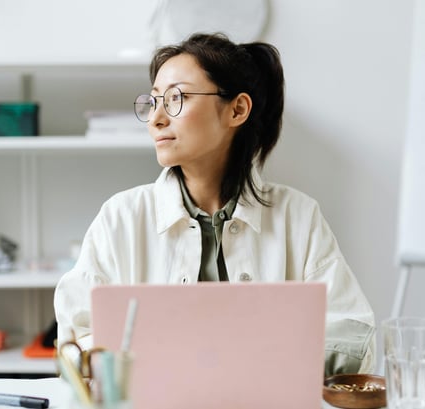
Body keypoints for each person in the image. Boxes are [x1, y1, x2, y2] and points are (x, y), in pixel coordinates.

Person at [54, 32, 375, 375]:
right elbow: (76, 340)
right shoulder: (121, 217)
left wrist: (259, 361)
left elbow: (353, 341)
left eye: (176, 98)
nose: (156, 119)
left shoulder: (298, 216)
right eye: (154, 101)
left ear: (237, 109)